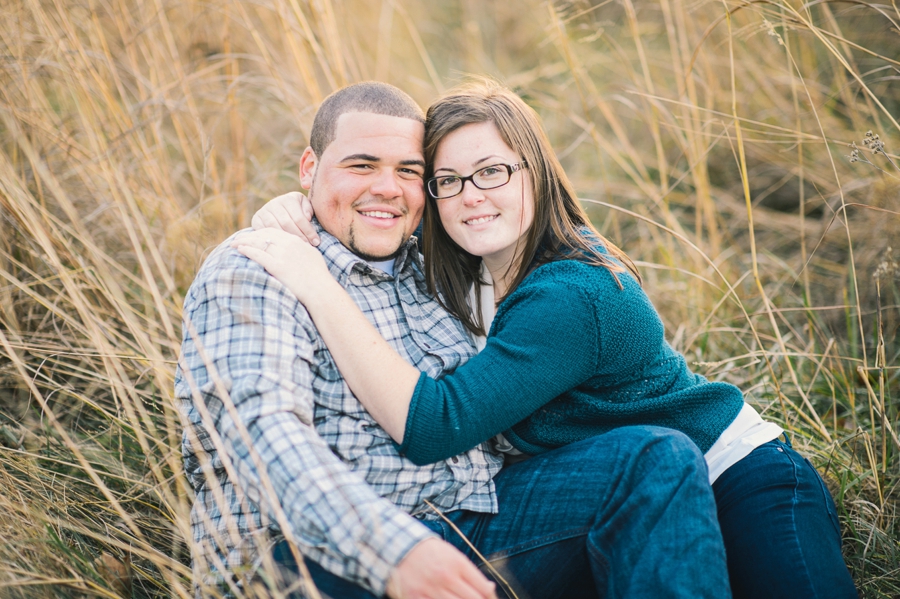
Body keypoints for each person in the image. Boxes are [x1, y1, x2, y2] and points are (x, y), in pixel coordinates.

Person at [240, 80, 857, 599]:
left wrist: (314, 282)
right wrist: (291, 210)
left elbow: (436, 424)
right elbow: (369, 208)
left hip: (736, 477)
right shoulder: (459, 256)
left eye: (492, 172)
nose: (471, 196)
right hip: (634, 494)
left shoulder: (573, 294)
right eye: (447, 180)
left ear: (534, 173)